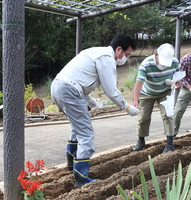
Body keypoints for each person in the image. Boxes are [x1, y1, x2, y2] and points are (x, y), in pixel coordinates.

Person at [50, 33, 140, 187]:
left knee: (77, 126)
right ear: (119, 49)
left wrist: (93, 104)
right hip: (69, 89)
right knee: (86, 133)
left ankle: (71, 161)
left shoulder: (94, 51)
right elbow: (110, 90)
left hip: (58, 86)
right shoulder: (107, 58)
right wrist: (127, 107)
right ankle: (81, 178)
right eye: (127, 53)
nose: (126, 57)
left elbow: (81, 84)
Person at [132, 43, 179, 154]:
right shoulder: (146, 64)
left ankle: (169, 145)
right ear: (156, 55)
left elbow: (178, 78)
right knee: (143, 117)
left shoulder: (175, 62)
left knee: (168, 116)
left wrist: (176, 84)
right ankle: (141, 140)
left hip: (165, 91)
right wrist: (135, 100)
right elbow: (138, 84)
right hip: (147, 92)